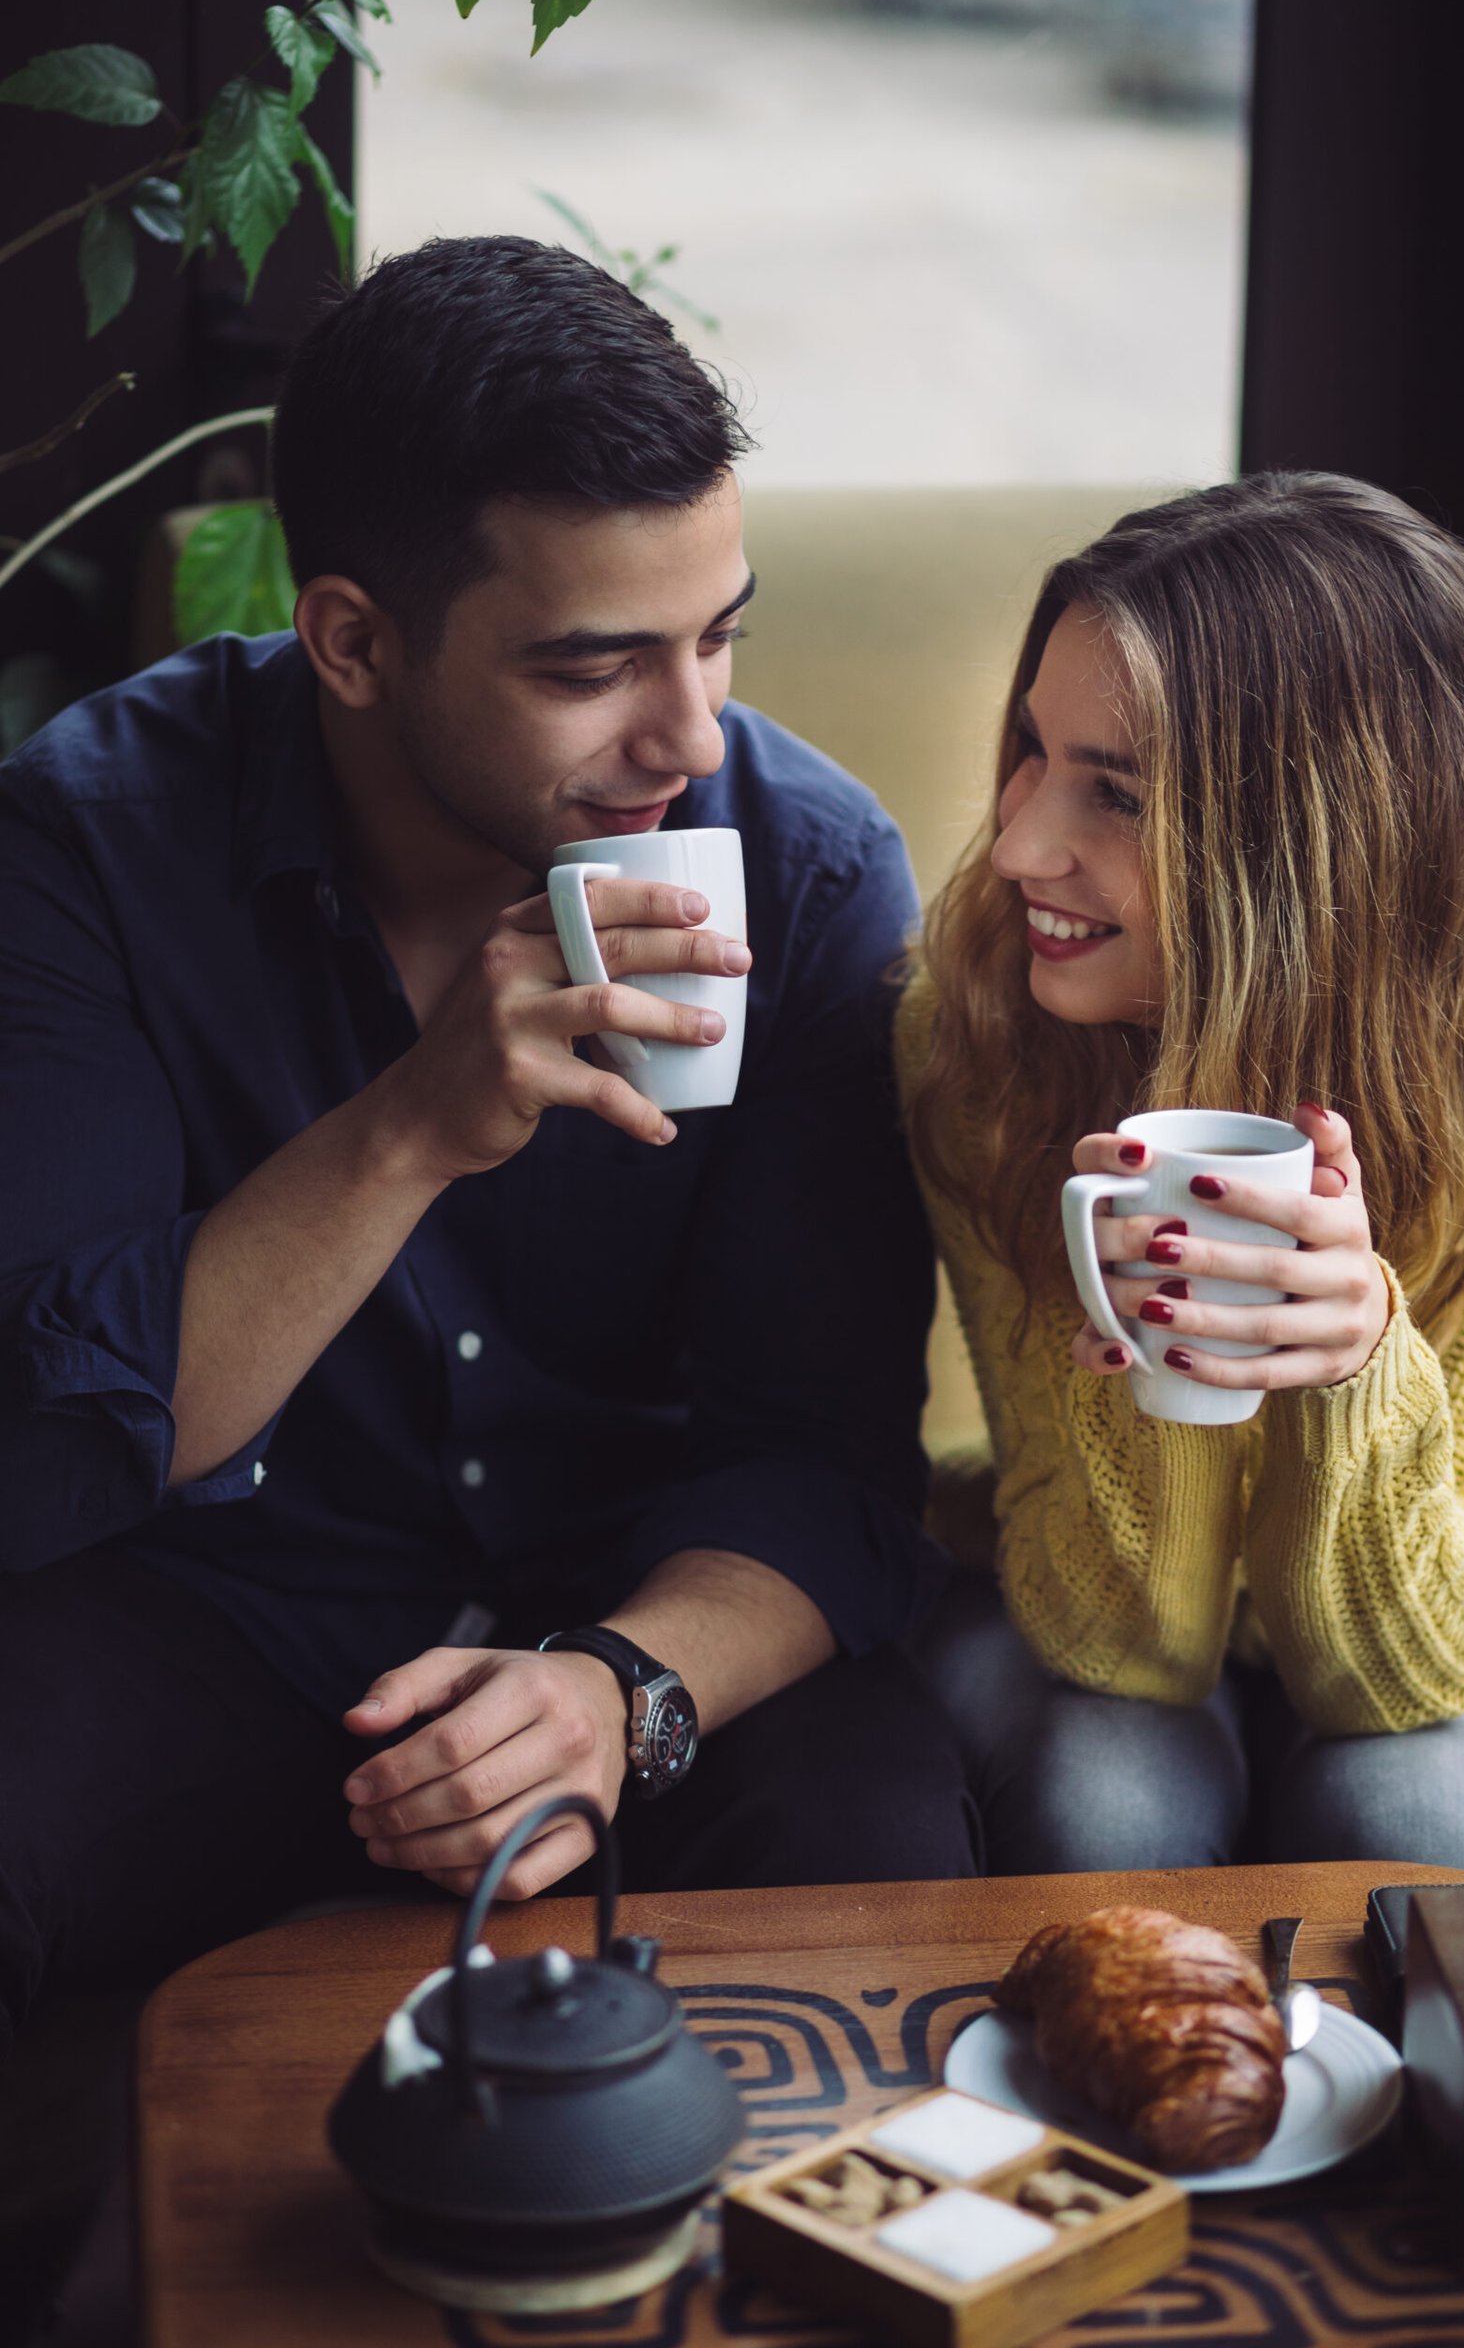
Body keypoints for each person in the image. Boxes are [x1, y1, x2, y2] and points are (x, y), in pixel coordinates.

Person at [0, 234, 978, 2065]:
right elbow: (63, 1446)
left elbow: (828, 1461)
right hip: (227, 1618)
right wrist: (411, 1129)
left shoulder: (811, 867)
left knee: (874, 1833)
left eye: (717, 636)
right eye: (593, 667)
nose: (687, 737)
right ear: (355, 642)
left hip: (638, 1616)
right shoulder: (93, 841)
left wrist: (622, 1695)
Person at [898, 471, 1464, 1877]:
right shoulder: (977, 1021)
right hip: (1088, 1589)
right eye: (1034, 753)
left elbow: (1402, 1680)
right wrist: (1152, 1340)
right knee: (1112, 1801)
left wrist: (1358, 1370)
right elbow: (1122, 1641)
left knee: (1387, 1815)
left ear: (1316, 841)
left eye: (1117, 794)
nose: (1023, 843)